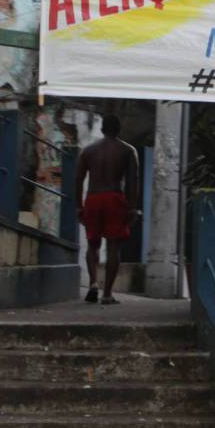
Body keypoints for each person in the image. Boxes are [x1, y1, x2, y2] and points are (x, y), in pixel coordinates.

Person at [76, 114, 140, 305]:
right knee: (113, 246)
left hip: (93, 198)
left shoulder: (88, 151)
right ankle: (107, 294)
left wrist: (79, 206)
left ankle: (93, 283)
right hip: (114, 198)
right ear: (119, 129)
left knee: (92, 244)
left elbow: (78, 179)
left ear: (102, 129)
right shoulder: (128, 150)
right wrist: (132, 209)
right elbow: (133, 182)